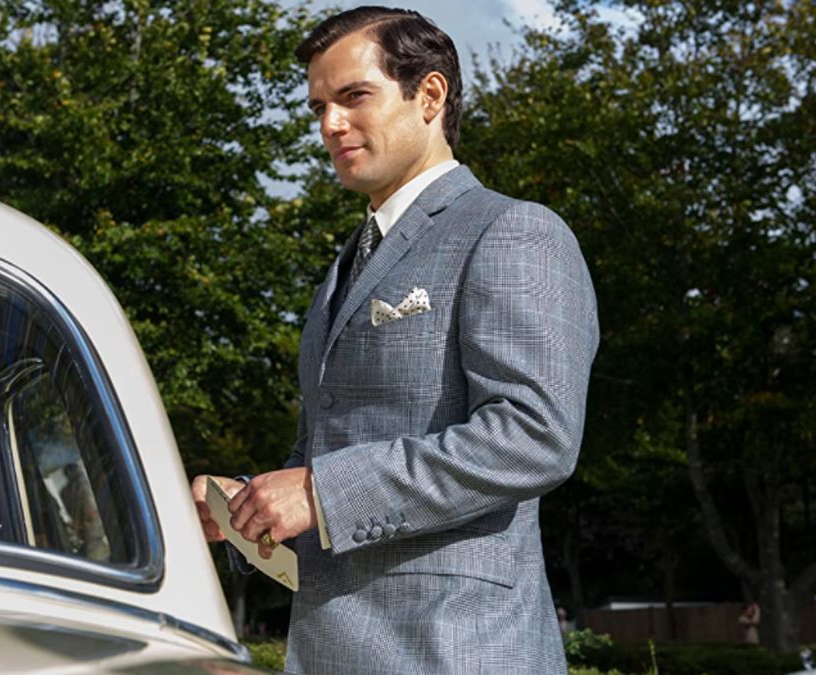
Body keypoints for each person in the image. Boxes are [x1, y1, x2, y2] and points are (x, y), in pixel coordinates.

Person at [191, 6, 599, 673]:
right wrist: (242, 506)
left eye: (354, 97)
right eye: (319, 106)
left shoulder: (514, 232)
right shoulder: (343, 268)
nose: (330, 124)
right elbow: (326, 454)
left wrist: (322, 492)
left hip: (455, 652)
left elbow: (537, 435)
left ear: (429, 94)